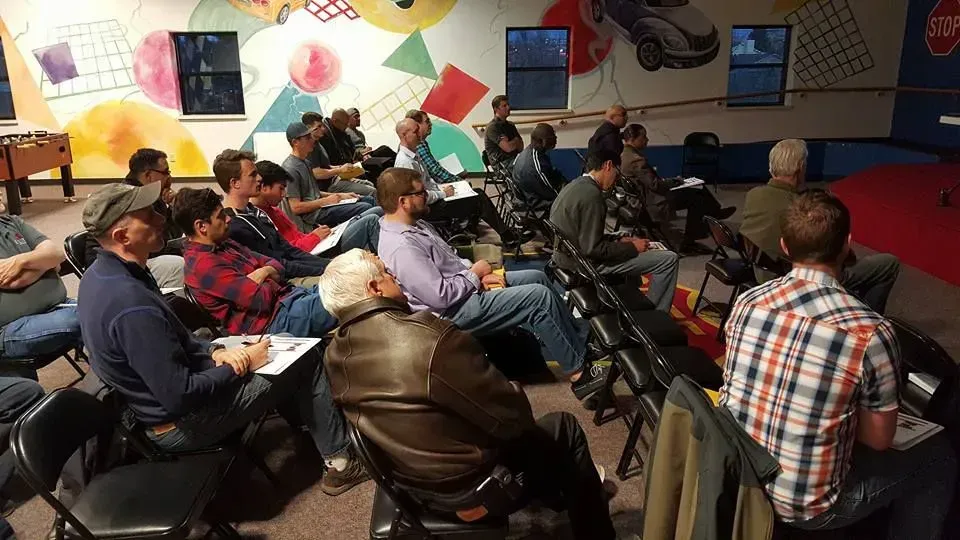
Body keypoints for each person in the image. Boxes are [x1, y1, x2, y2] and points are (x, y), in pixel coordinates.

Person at [77, 182, 368, 496]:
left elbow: (182, 342)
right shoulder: (130, 305)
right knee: (304, 356)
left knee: (282, 345)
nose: (162, 219)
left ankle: (313, 420)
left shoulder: (111, 273)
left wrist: (216, 351)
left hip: (183, 390)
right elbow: (179, 396)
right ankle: (340, 464)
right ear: (122, 236)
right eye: (149, 215)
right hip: (180, 423)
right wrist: (239, 365)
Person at [318, 249, 616, 540]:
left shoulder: (334, 354)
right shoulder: (429, 338)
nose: (394, 275)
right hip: (468, 493)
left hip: (409, 483)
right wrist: (509, 387)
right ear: (374, 288)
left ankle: (559, 489)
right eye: (385, 272)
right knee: (565, 427)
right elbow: (514, 417)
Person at [719, 190, 956, 538]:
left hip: (743, 474)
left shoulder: (748, 301)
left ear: (784, 246)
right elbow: (879, 440)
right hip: (810, 507)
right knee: (939, 458)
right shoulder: (870, 332)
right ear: (847, 244)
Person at [376, 167, 608, 400]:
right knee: (538, 298)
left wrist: (476, 276)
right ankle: (580, 376)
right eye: (421, 193)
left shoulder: (416, 224)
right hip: (450, 313)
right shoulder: (401, 247)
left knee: (536, 277)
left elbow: (450, 259)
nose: (428, 195)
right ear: (403, 201)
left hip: (462, 291)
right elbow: (440, 296)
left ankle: (578, 342)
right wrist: (474, 276)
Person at [738, 139, 900, 314]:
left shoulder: (753, 195)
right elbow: (839, 256)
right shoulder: (805, 210)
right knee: (889, 263)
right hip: (803, 279)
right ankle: (867, 315)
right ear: (800, 168)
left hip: (762, 271)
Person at [174, 187, 338, 338]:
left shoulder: (224, 243)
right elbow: (262, 299)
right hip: (274, 322)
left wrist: (263, 272)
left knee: (351, 277)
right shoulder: (203, 266)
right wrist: (268, 272)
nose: (229, 220)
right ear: (202, 226)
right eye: (221, 216)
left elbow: (276, 266)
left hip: (290, 297)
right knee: (353, 292)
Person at [550, 150, 679, 313]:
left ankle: (632, 301)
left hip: (565, 255)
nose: (616, 181)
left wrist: (617, 240)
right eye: (616, 175)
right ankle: (654, 317)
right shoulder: (593, 196)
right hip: (583, 263)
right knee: (669, 259)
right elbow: (593, 250)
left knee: (622, 236)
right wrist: (633, 248)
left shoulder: (574, 185)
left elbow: (583, 235)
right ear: (608, 166)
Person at [397, 114, 520, 246]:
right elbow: (419, 197)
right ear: (404, 135)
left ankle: (502, 235)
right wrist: (443, 193)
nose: (419, 135)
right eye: (415, 132)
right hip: (426, 209)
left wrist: (442, 189)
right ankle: (507, 237)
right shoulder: (406, 162)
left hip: (433, 198)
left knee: (474, 193)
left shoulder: (414, 155)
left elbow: (428, 181)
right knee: (478, 198)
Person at [214, 149, 330, 288]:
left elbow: (289, 250)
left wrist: (329, 264)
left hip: (297, 272)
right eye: (253, 175)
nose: (259, 178)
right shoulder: (234, 226)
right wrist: (326, 270)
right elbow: (279, 263)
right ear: (235, 183)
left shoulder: (255, 211)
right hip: (285, 283)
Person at [620, 124, 734, 255]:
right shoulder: (637, 160)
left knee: (698, 190)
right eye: (643, 136)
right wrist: (675, 181)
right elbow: (656, 185)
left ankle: (713, 213)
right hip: (652, 202)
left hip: (642, 197)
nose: (647, 140)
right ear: (633, 139)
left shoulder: (624, 154)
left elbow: (649, 182)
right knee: (696, 196)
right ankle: (691, 238)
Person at [83, 148, 185, 288]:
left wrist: (172, 208)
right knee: (177, 265)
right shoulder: (130, 202)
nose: (169, 177)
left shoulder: (149, 195)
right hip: (118, 269)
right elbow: (162, 243)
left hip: (129, 259)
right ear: (148, 175)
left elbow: (166, 238)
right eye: (165, 172)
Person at [0, 215, 82, 378]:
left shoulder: (11, 222)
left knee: (109, 306)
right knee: (91, 315)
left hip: (59, 307)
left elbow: (57, 254)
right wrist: (44, 263)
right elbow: (12, 281)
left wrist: (20, 262)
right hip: (10, 330)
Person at [254, 160, 380, 254]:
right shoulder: (259, 219)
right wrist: (315, 237)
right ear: (264, 187)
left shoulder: (275, 211)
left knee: (376, 209)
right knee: (371, 220)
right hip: (313, 249)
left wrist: (317, 234)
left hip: (317, 240)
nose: (284, 194)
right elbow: (288, 251)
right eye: (281, 189)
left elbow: (297, 236)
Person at [281, 121, 379, 231]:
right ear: (295, 142)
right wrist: (326, 201)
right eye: (307, 138)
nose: (312, 140)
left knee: (369, 199)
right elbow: (296, 207)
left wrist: (340, 195)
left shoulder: (305, 162)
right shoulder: (290, 168)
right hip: (315, 215)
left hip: (322, 207)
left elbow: (314, 193)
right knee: (365, 207)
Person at [301, 112, 377, 197]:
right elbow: (316, 173)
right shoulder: (310, 147)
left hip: (335, 180)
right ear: (308, 128)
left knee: (370, 184)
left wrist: (341, 167)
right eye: (318, 127)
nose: (323, 129)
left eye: (322, 125)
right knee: (372, 191)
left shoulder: (317, 143)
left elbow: (325, 166)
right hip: (329, 186)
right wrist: (339, 170)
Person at [511, 123, 565, 208]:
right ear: (541, 141)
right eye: (551, 137)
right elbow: (554, 194)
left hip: (526, 196)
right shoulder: (537, 166)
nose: (555, 139)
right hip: (536, 203)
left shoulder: (528, 152)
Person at [483, 95, 523, 168]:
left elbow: (521, 147)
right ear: (496, 109)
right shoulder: (492, 127)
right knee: (529, 168)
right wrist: (516, 141)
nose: (508, 107)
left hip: (514, 160)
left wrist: (512, 143)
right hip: (503, 165)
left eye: (508, 105)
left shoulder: (510, 125)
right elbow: (508, 148)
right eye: (504, 106)